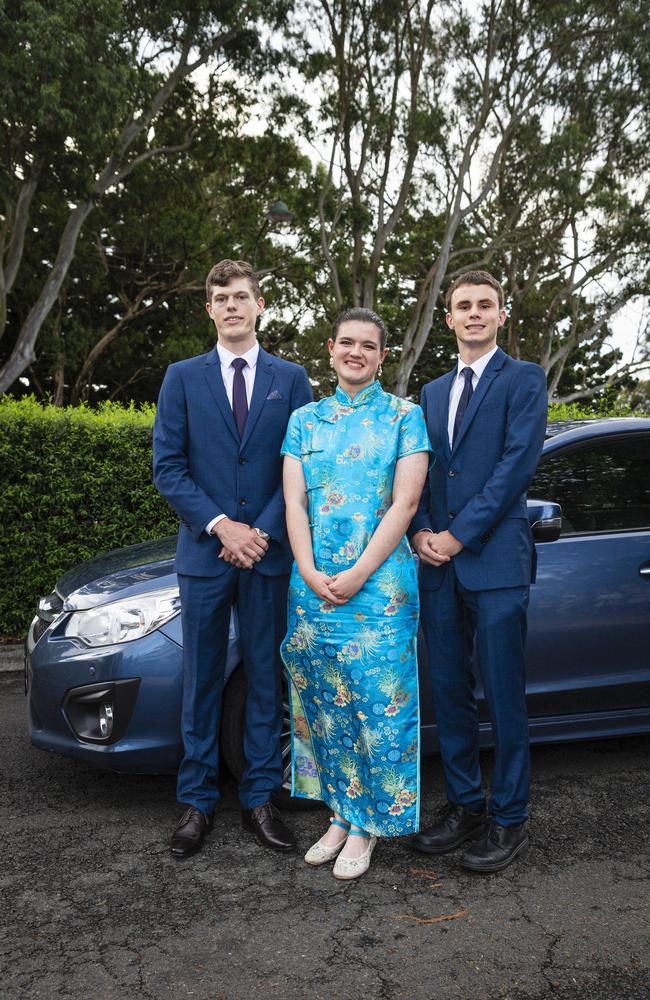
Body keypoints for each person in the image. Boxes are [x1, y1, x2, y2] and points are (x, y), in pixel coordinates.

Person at [153, 259, 312, 859]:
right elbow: (168, 468)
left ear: (259, 304)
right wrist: (224, 527)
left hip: (266, 556)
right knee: (202, 679)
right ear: (210, 309)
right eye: (221, 298)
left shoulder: (291, 378)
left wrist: (261, 533)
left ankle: (260, 799)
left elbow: (300, 466)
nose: (231, 306)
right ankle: (197, 803)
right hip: (206, 553)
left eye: (241, 296)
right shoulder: (182, 378)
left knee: (267, 679)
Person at [281, 308, 430, 880]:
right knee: (325, 706)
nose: (356, 352)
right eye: (348, 342)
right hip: (313, 587)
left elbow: (405, 505)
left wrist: (360, 573)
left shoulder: (404, 417)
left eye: (369, 345)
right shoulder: (304, 420)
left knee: (375, 708)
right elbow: (294, 503)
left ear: (382, 356)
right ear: (331, 349)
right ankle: (340, 815)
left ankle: (367, 827)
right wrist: (310, 570)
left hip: (379, 592)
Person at [410, 270, 547, 873]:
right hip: (436, 566)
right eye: (462, 306)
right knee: (449, 693)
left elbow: (516, 466)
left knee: (504, 696)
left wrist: (459, 535)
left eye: (483, 305)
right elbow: (422, 470)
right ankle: (466, 804)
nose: (473, 314)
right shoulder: (432, 392)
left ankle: (509, 819)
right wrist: (419, 531)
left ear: (500, 315)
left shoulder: (523, 379)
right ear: (448, 318)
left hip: (494, 564)